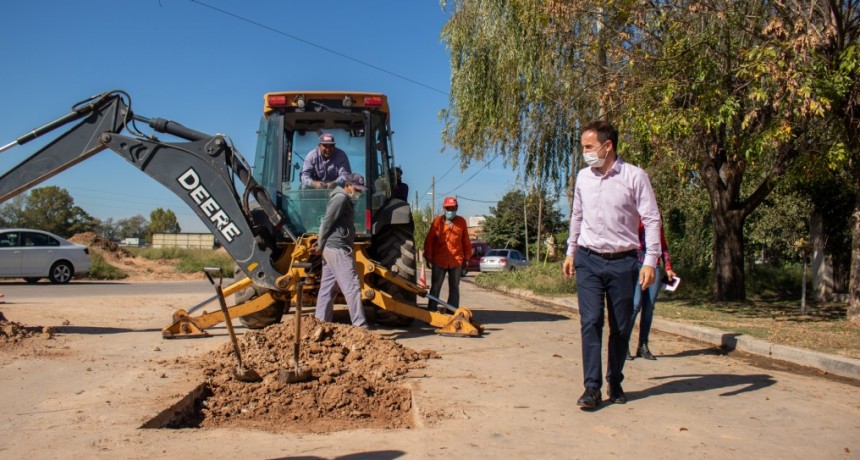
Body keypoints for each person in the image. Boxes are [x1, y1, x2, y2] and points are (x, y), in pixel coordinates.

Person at [562, 120, 661, 409]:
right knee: (590, 322)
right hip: (588, 260)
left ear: (608, 146)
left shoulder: (635, 177)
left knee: (620, 326)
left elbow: (652, 219)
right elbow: (577, 216)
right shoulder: (583, 177)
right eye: (583, 147)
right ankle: (591, 388)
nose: (585, 153)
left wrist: (650, 261)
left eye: (589, 147)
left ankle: (614, 379)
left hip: (623, 263)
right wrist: (571, 252)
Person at [313, 173, 368, 328]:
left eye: (360, 189)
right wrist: (319, 244)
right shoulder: (341, 199)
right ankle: (361, 327)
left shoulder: (344, 199)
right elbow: (327, 222)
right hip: (337, 248)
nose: (359, 192)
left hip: (332, 249)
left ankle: (320, 325)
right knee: (352, 287)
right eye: (357, 189)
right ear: (348, 185)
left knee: (327, 289)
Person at [627, 216, 677, 361]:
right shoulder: (633, 212)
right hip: (636, 263)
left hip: (654, 265)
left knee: (649, 307)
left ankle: (643, 345)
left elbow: (662, 242)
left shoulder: (656, 216)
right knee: (635, 305)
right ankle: (623, 344)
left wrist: (668, 267)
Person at [423, 196, 471, 312]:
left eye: (453, 208)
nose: (450, 211)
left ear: (457, 208)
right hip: (439, 260)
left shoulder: (461, 222)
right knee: (435, 286)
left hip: (456, 260)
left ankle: (452, 311)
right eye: (448, 208)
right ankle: (431, 311)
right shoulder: (437, 222)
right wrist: (428, 257)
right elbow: (429, 240)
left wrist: (467, 258)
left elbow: (466, 241)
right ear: (444, 209)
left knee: (454, 287)